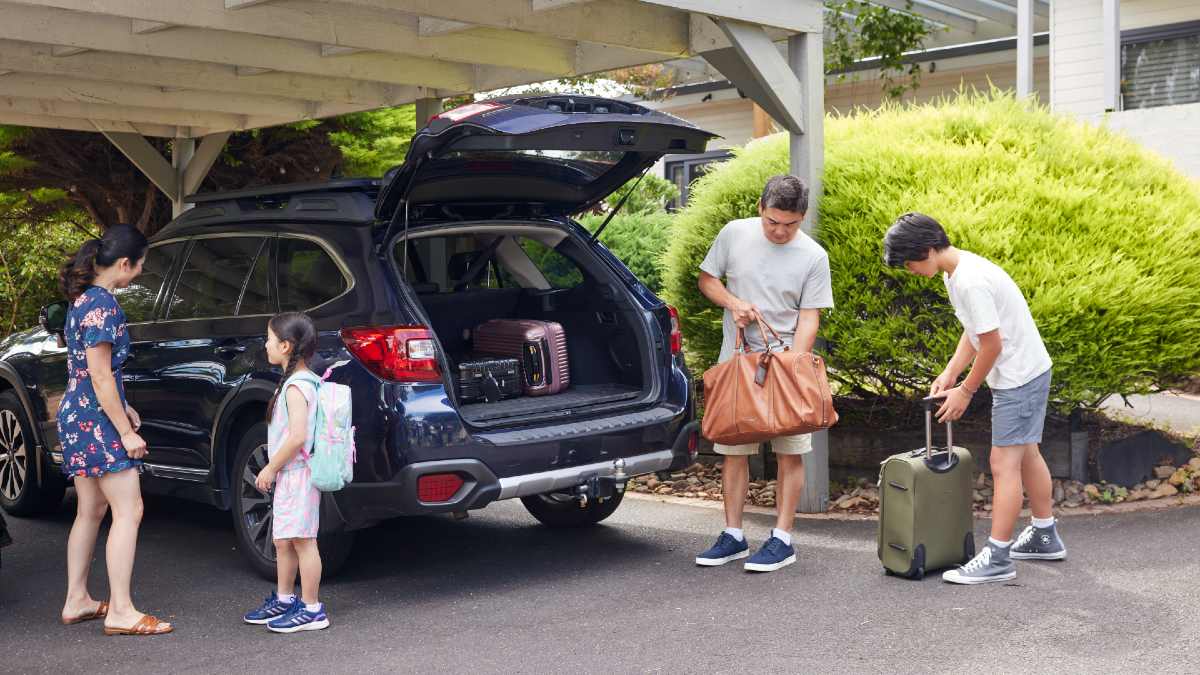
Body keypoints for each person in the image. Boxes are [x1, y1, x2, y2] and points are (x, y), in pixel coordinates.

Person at [882, 212, 1066, 585]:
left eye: (911, 262)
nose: (911, 270)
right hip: (1026, 371)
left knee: (1004, 462)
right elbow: (976, 332)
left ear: (929, 250)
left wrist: (965, 390)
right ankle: (1045, 534)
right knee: (1026, 452)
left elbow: (993, 344)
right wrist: (950, 372)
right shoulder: (957, 272)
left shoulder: (969, 282)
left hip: (1018, 377)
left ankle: (998, 557)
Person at [693, 175, 834, 573]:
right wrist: (734, 302)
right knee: (733, 451)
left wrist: (795, 365)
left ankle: (782, 539)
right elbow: (707, 280)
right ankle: (733, 535)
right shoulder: (734, 234)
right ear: (761, 208)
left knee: (790, 452)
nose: (780, 230)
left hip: (786, 364)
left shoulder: (813, 256)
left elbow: (810, 316)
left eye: (790, 224)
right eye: (773, 221)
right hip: (738, 362)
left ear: (802, 217)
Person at [57, 225, 174, 636]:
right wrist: (124, 430)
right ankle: (121, 610)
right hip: (96, 420)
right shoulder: (104, 305)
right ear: (125, 263)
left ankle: (77, 599)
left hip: (77, 413)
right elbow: (102, 375)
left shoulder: (82, 299)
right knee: (130, 509)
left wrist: (123, 406)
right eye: (140, 265)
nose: (140, 272)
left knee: (90, 510)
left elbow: (88, 372)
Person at [242, 312, 330, 633]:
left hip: (298, 473)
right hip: (290, 475)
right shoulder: (294, 382)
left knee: (303, 540)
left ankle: (312, 608)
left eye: (269, 339)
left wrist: (270, 467)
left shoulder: (297, 387)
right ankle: (283, 598)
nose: (265, 344)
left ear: (285, 346)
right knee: (283, 540)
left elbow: (296, 437)